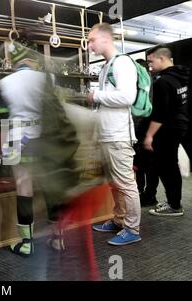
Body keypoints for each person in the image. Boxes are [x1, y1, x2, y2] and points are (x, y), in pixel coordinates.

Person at [0, 41, 79, 255]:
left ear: (13, 60)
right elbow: (56, 110)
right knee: (52, 187)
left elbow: (3, 115)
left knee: (23, 187)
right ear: (32, 58)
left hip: (17, 138)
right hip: (44, 137)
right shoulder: (48, 78)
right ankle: (58, 239)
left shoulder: (5, 82)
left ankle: (26, 244)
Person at [87, 23, 141, 246]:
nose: (89, 45)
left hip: (119, 135)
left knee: (126, 183)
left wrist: (97, 96)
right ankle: (119, 220)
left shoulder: (123, 63)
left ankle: (132, 228)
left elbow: (128, 97)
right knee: (114, 182)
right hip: (106, 135)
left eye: (91, 40)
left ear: (106, 39)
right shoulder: (106, 66)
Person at [144, 45, 190, 217]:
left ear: (162, 58)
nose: (149, 66)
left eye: (151, 61)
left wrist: (149, 135)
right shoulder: (181, 75)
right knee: (170, 165)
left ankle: (174, 205)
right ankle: (174, 202)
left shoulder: (163, 81)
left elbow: (160, 113)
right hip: (181, 124)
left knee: (167, 167)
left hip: (169, 128)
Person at [133, 59, 159, 207]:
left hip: (147, 132)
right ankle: (143, 193)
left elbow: (147, 111)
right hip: (143, 131)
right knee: (142, 166)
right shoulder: (145, 85)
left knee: (148, 167)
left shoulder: (149, 86)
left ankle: (149, 195)